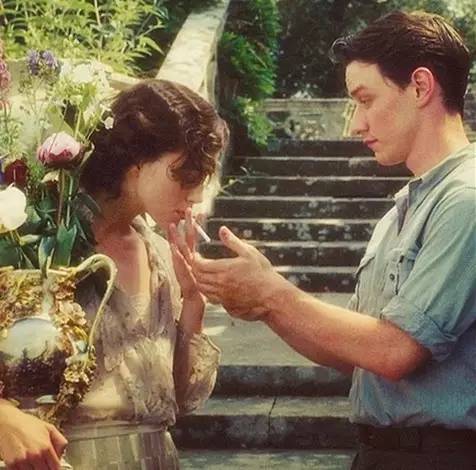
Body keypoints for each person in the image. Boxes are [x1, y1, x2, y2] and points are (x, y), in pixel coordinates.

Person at [173, 11, 476, 469]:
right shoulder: (402, 211)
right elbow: (355, 355)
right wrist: (265, 305)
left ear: (420, 86)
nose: (356, 124)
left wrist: (273, 293)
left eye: (365, 100)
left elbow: (394, 352)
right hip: (381, 453)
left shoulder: (465, 199)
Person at [0, 79, 228, 469]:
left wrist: (193, 303)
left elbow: (180, 399)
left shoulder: (161, 256)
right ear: (136, 163)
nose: (195, 196)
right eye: (186, 175)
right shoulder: (36, 239)